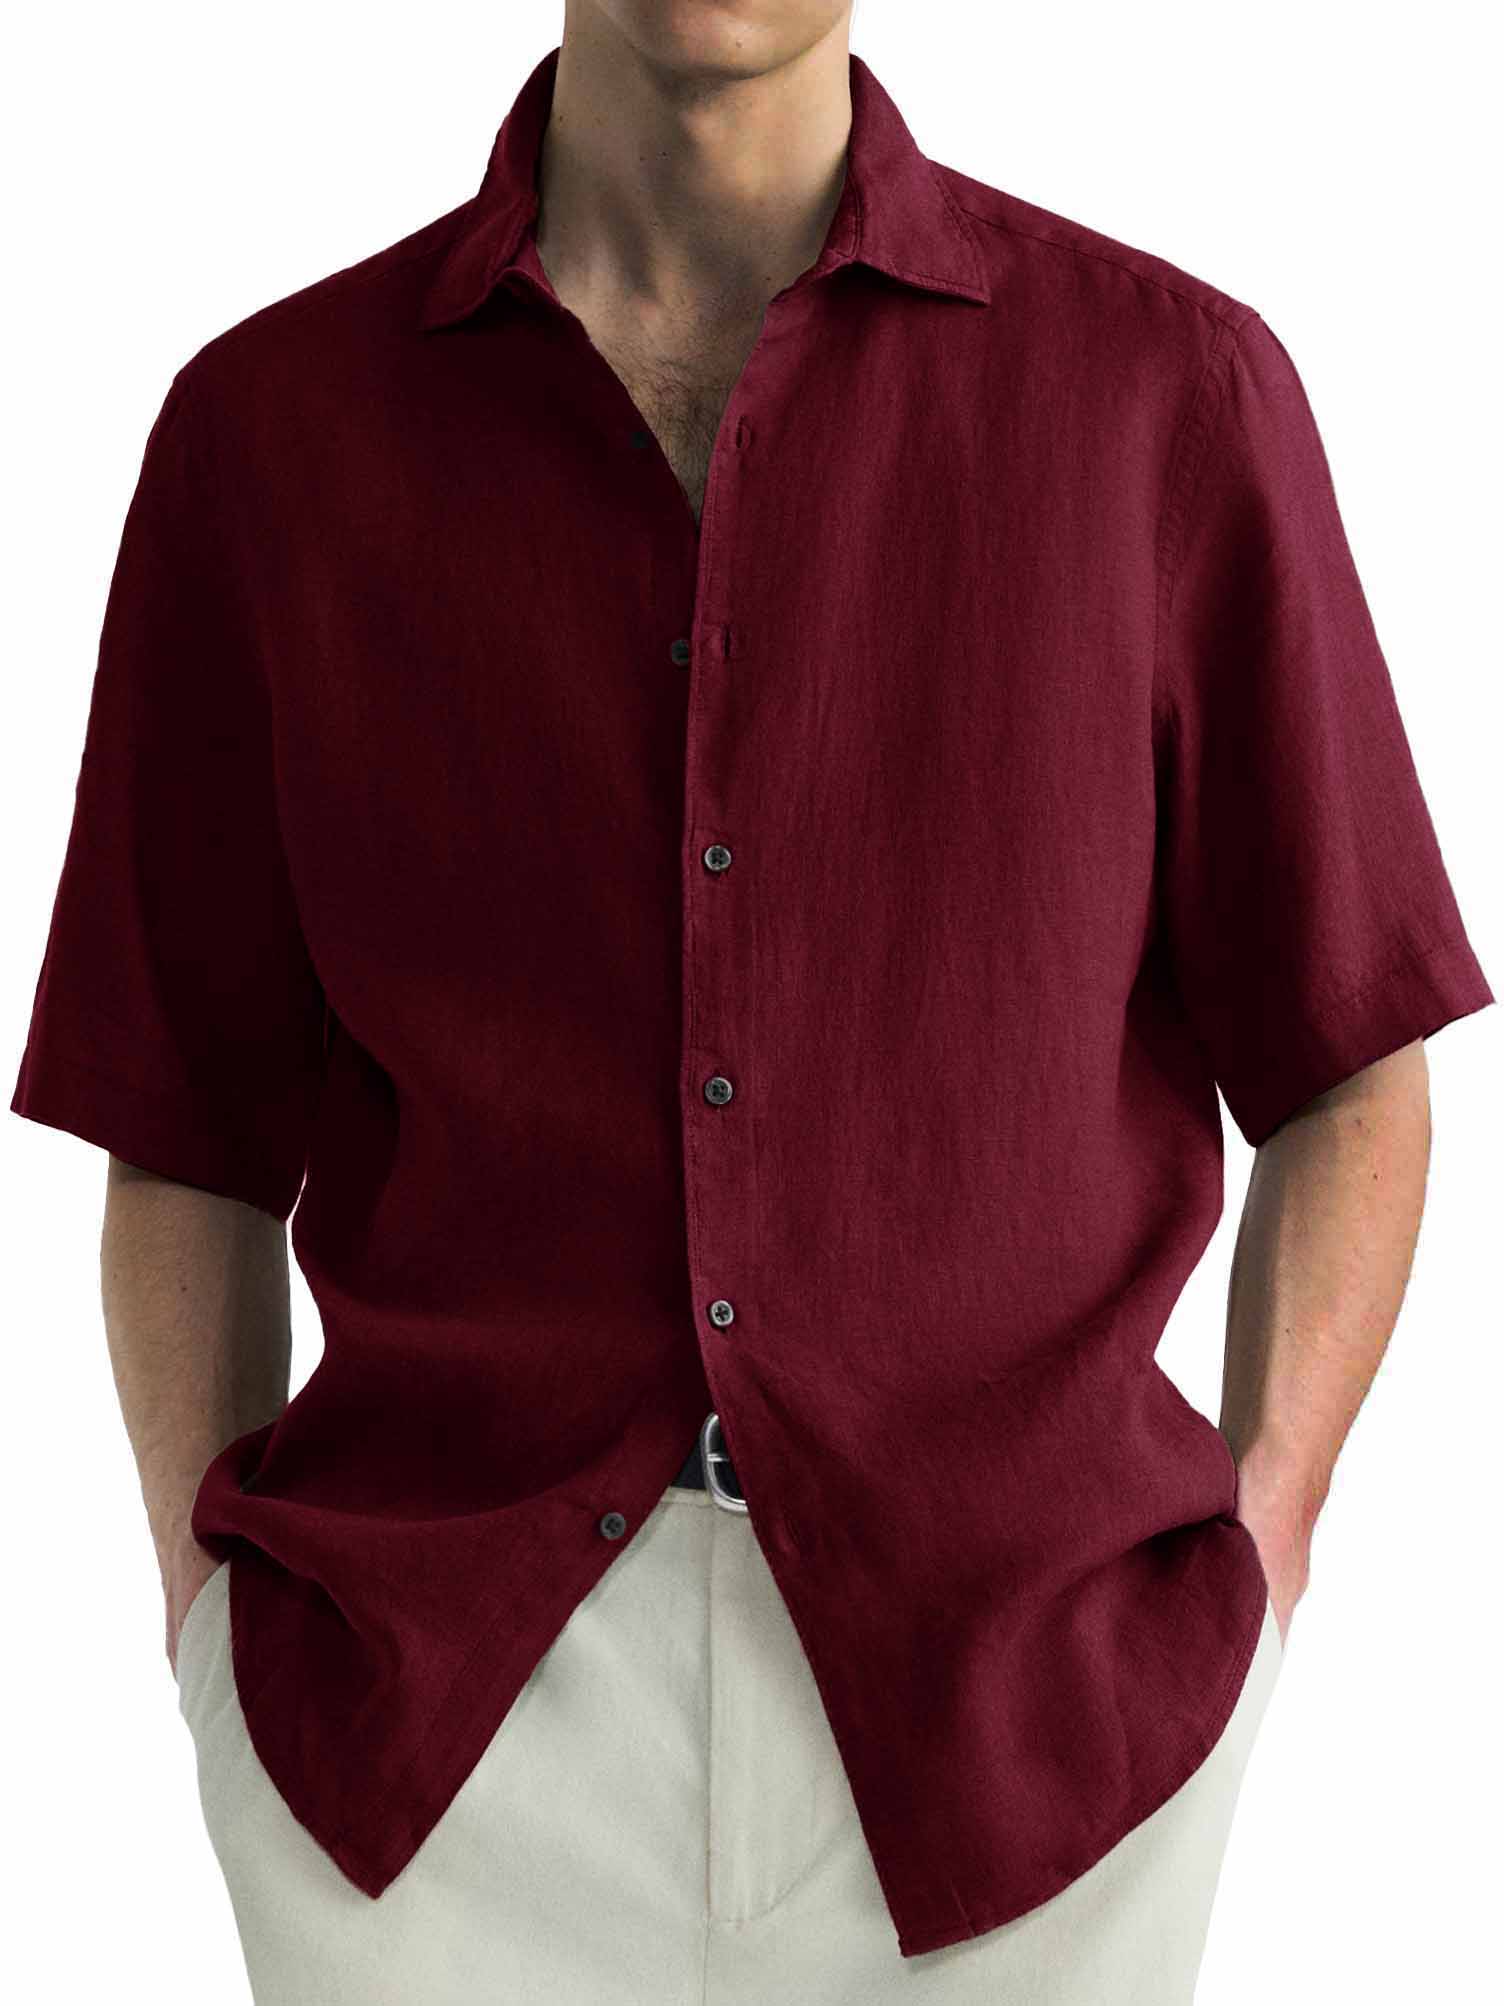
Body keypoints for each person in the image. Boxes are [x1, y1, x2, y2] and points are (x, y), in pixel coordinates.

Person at [10, 5, 1493, 2001]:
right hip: (427, 1758)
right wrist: (209, 1634)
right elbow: (181, 1127)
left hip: (1037, 1743)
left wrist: (1259, 1555)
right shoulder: (268, 436)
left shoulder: (1167, 395)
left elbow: (1349, 1064)